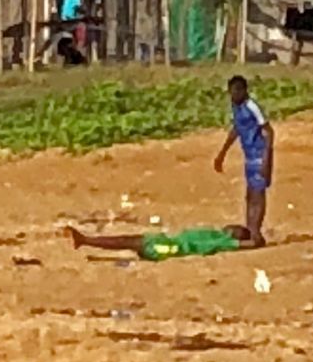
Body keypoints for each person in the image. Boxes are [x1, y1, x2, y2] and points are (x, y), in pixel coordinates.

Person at [213, 75, 274, 247]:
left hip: (259, 154)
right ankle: (251, 231)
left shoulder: (252, 107)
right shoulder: (236, 107)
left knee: (258, 195)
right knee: (250, 195)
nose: (232, 96)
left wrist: (266, 160)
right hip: (248, 155)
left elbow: (269, 132)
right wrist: (222, 153)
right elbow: (236, 130)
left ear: (243, 90)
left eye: (235, 92)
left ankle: (256, 232)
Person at [66, 223, 259, 261]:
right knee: (127, 241)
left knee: (127, 242)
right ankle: (85, 240)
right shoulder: (215, 234)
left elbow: (249, 245)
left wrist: (256, 239)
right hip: (166, 241)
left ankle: (85, 240)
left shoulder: (221, 241)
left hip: (170, 247)